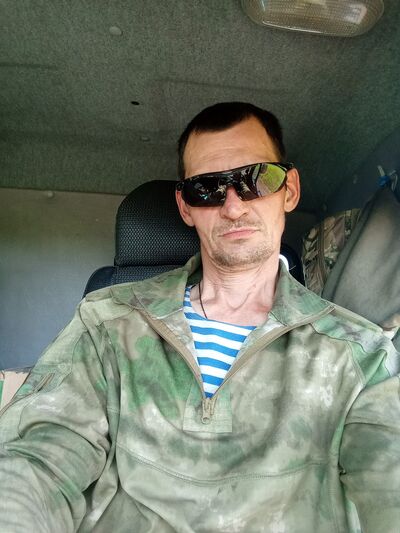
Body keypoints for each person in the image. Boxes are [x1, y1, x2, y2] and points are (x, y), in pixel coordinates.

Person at [0, 102, 399, 533]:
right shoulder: (109, 321)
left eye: (256, 178)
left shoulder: (359, 353)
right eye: (207, 189)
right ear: (185, 206)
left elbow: (388, 473)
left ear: (289, 189)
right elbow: (39, 460)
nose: (233, 207)